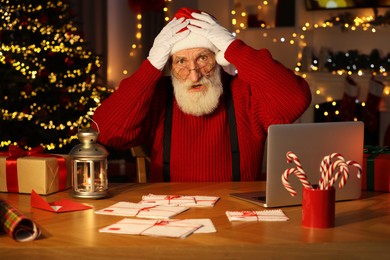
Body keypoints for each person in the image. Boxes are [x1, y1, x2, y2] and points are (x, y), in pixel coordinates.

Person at [92, 7, 312, 182]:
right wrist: (150, 67)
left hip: (237, 220)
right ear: (168, 64)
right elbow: (106, 132)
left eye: (203, 58)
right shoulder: (158, 96)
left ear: (218, 57)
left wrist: (234, 47)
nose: (194, 75)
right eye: (181, 61)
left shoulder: (244, 93)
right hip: (169, 218)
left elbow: (295, 100)